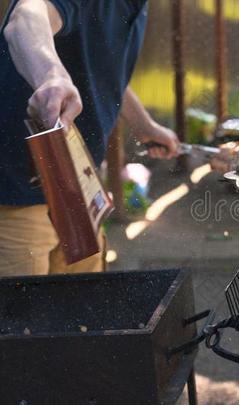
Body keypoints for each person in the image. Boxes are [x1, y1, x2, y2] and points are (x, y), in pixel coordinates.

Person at [0, 0, 179, 276]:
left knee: (84, 304)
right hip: (17, 187)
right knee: (24, 313)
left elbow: (101, 65)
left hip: (77, 180)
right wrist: (51, 76)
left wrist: (144, 125)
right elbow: (25, 17)